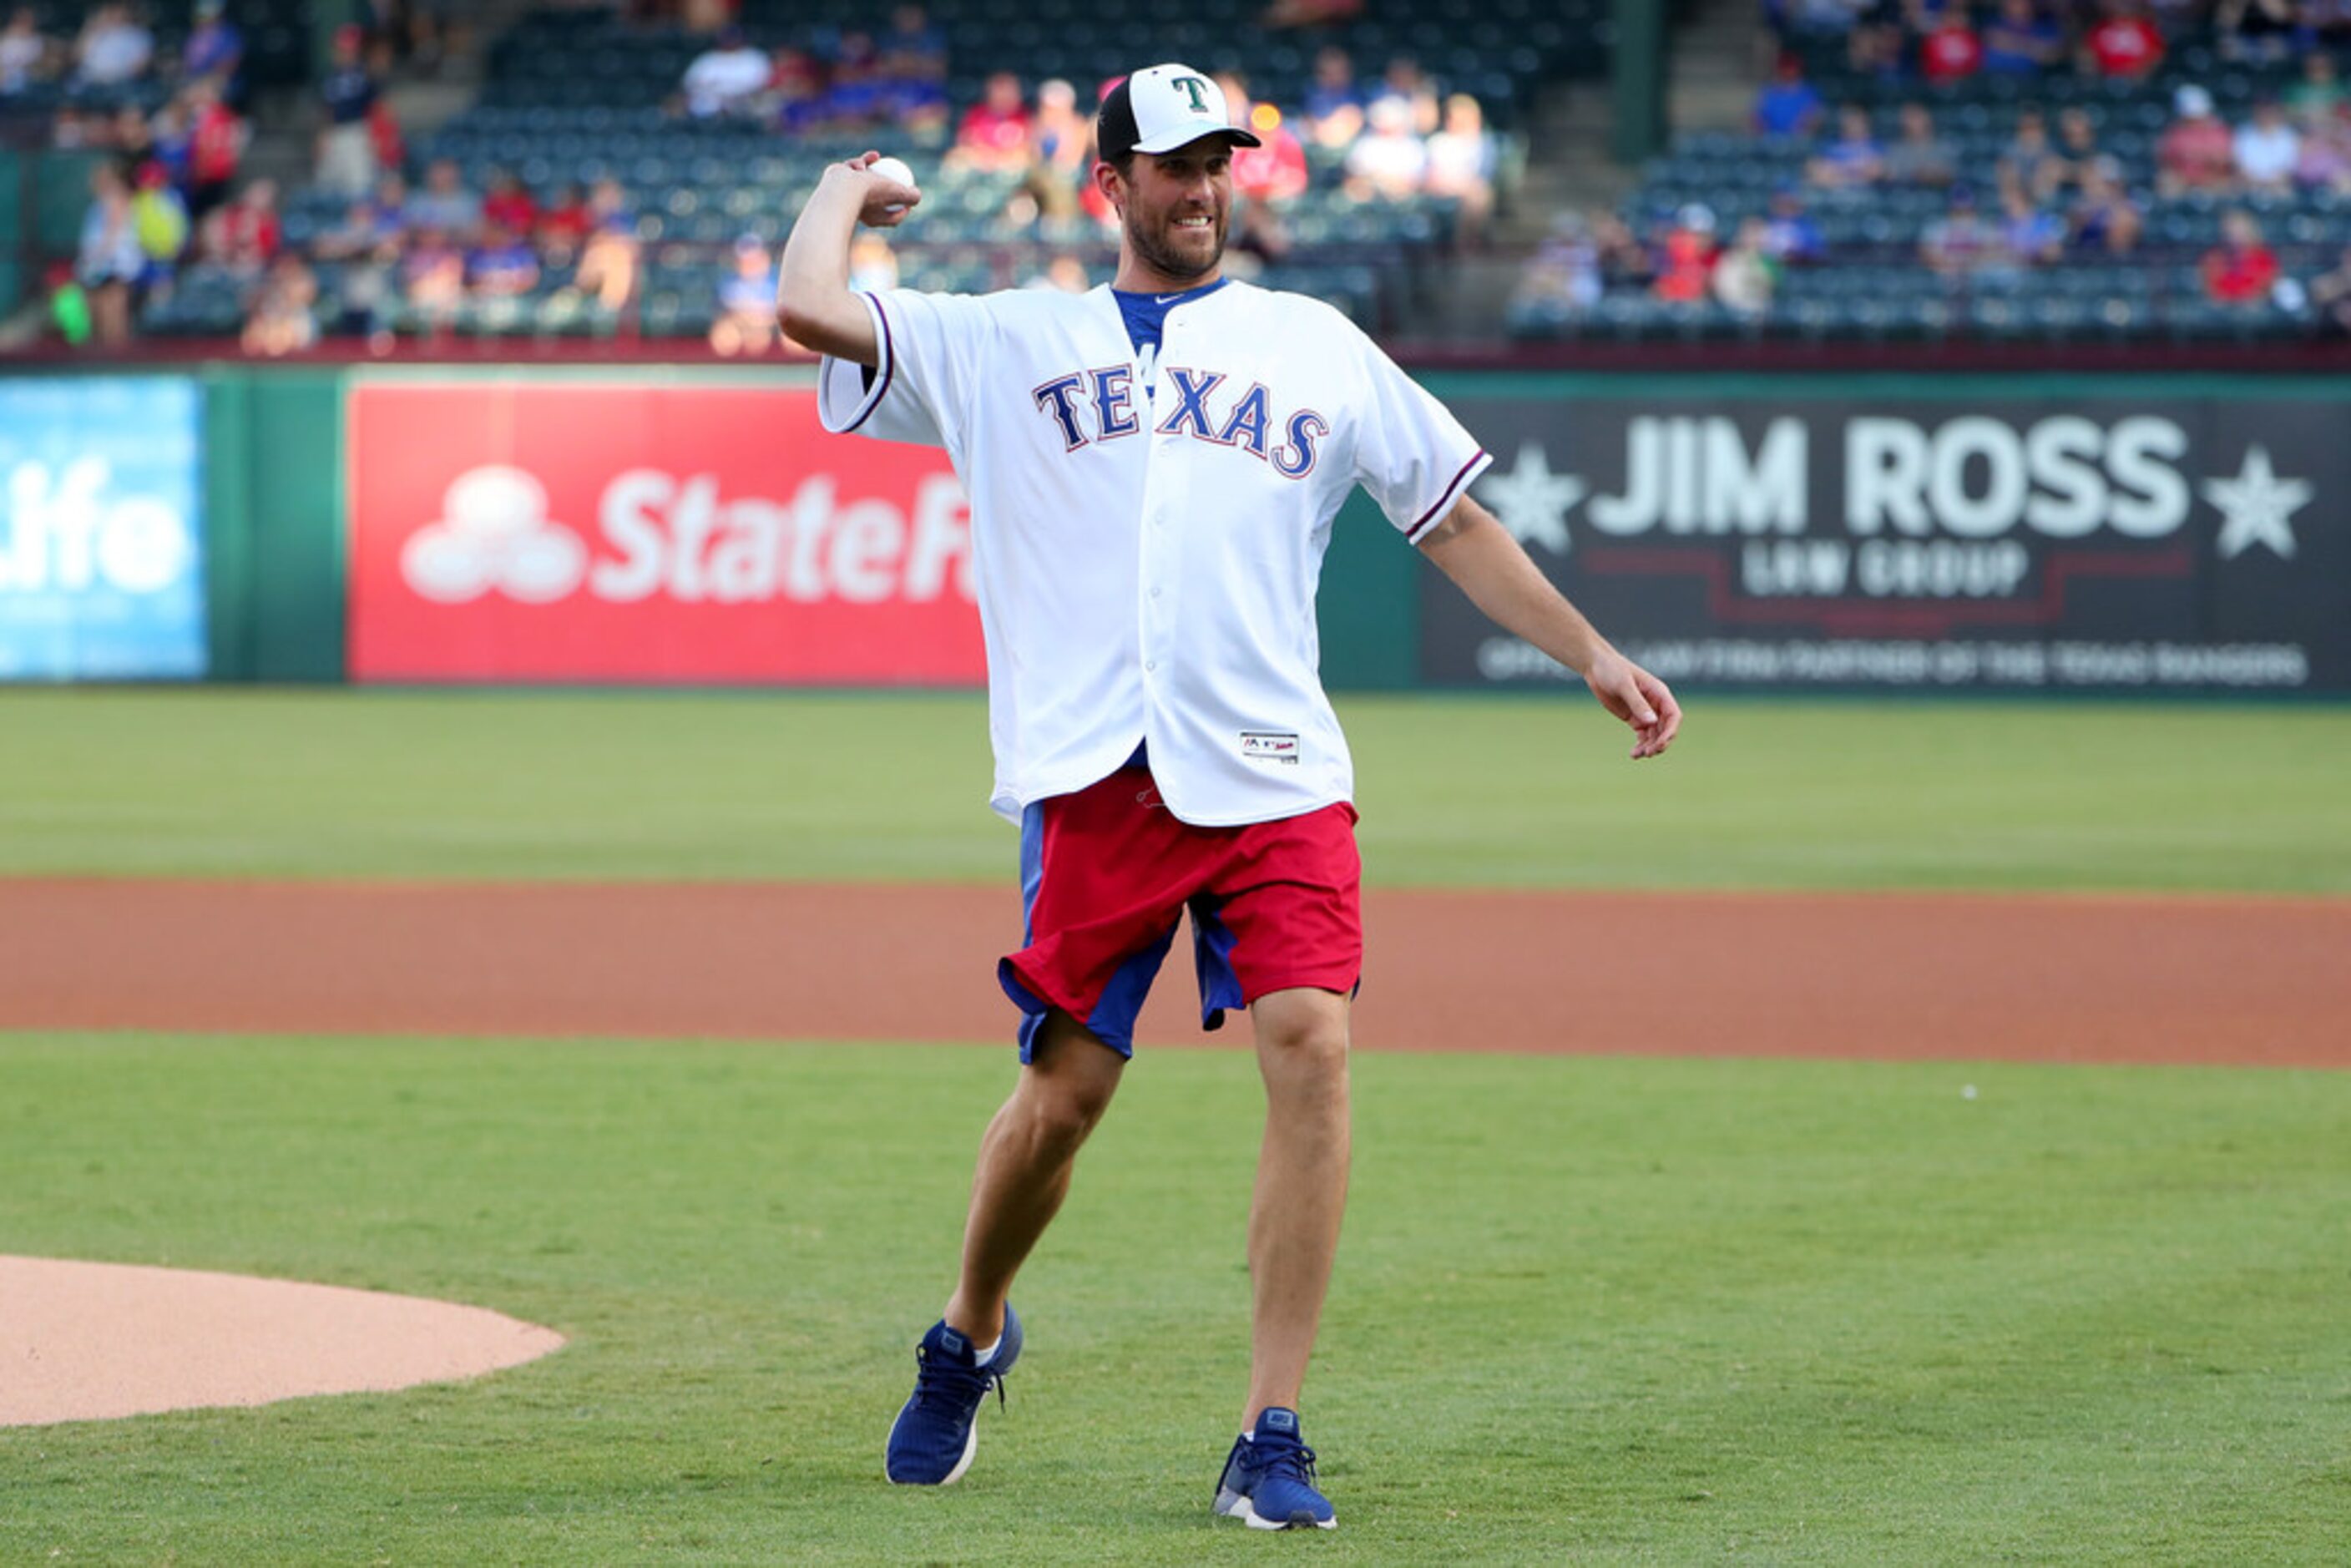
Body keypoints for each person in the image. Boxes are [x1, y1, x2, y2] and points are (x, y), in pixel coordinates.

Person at [778, 61, 1681, 1533]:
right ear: (1111, 186)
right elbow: (809, 308)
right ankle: (967, 1331)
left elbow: (1447, 515)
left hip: (1273, 768)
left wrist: (1586, 650)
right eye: (1173, 165)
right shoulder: (1010, 338)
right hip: (1094, 774)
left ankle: (1271, 1429)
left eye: (1219, 164)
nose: (1200, 188)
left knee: (1312, 1045)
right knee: (1061, 1099)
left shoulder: (1312, 341)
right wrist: (847, 190)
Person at [316, 24, 377, 200]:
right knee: (327, 183)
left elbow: (377, 107)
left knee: (359, 184)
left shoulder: (366, 74)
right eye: (340, 49)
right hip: (335, 132)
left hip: (358, 130)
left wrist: (376, 136)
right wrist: (323, 135)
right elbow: (327, 109)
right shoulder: (330, 77)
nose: (344, 54)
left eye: (348, 50)